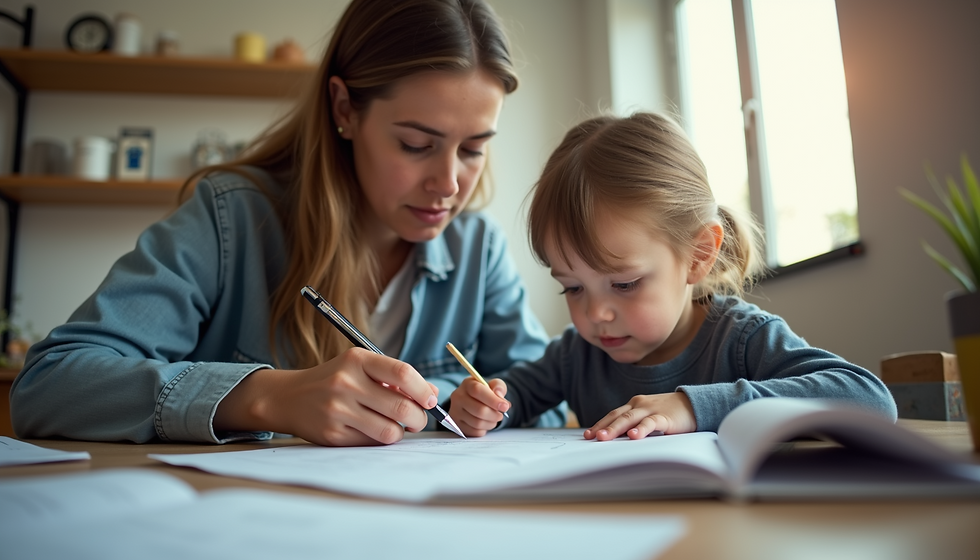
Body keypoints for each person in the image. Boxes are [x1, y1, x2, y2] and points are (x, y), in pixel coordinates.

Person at [11, 0, 565, 446]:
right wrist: (265, 397)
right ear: (344, 109)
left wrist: (463, 402)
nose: (449, 184)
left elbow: (549, 397)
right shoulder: (231, 218)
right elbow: (49, 386)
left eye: (473, 149)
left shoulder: (476, 246)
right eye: (416, 144)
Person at [448, 112, 897, 440]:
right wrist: (486, 407)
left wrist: (691, 406)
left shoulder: (741, 340)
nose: (595, 313)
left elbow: (868, 399)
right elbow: (517, 395)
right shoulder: (577, 354)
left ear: (699, 255)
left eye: (624, 284)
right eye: (572, 287)